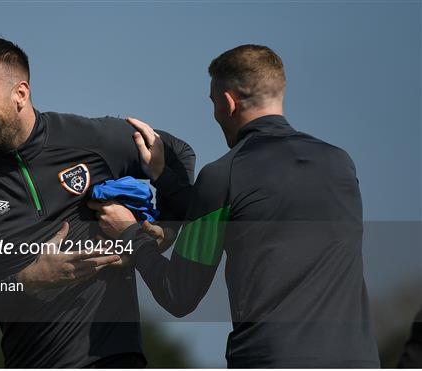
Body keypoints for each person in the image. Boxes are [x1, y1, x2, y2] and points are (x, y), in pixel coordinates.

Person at [89, 44, 381, 367]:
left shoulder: (224, 175)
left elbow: (177, 293)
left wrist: (131, 233)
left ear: (228, 102)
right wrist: (162, 176)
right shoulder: (340, 164)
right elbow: (250, 212)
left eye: (214, 104)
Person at [0, 35, 195, 368]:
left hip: (114, 359)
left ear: (20, 94)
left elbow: (178, 154)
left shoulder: (90, 139)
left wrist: (161, 232)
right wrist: (30, 280)